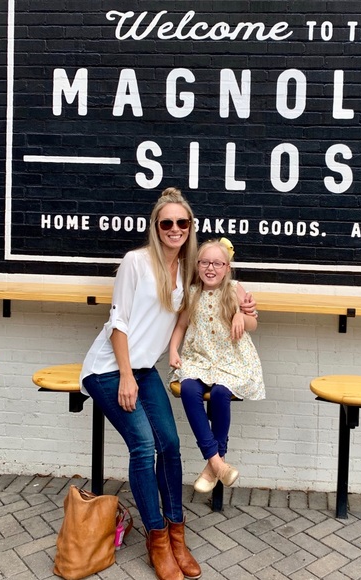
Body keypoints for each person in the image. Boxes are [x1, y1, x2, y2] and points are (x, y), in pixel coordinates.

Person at [80, 188, 259, 580]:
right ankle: (157, 538)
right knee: (144, 447)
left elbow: (222, 283)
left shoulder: (189, 269)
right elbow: (118, 322)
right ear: (156, 226)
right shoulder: (136, 262)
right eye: (167, 223)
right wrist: (126, 375)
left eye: (182, 222)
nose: (175, 229)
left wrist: (245, 307)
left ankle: (178, 534)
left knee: (171, 445)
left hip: (145, 370)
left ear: (190, 227)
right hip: (110, 369)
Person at [169, 238, 265, 493]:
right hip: (200, 359)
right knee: (188, 389)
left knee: (222, 393)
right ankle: (217, 462)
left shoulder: (234, 289)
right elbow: (181, 325)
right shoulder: (192, 293)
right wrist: (173, 350)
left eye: (217, 263)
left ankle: (213, 466)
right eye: (205, 263)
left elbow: (253, 323)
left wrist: (240, 315)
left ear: (227, 267)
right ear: (197, 265)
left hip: (230, 361)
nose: (210, 268)